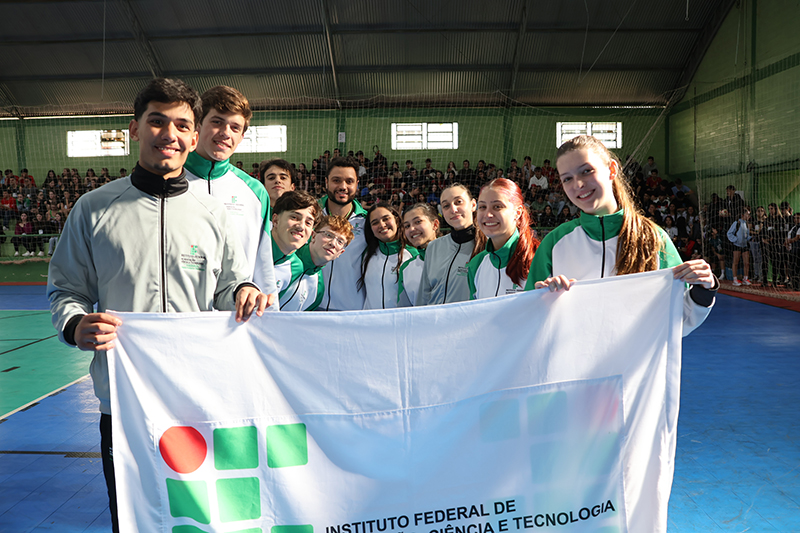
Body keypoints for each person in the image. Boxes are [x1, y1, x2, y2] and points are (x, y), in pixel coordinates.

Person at [47, 78, 270, 533]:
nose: (169, 134)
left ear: (194, 136)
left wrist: (244, 291)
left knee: (203, 516)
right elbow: (66, 289)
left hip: (198, 397)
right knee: (132, 518)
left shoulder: (214, 214)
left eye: (181, 125)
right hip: (124, 402)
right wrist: (75, 324)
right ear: (134, 128)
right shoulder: (94, 209)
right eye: (156, 121)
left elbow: (228, 286)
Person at [525, 135, 717, 336]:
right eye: (567, 178)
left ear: (612, 169)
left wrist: (703, 290)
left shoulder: (653, 239)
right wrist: (541, 301)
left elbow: (680, 320)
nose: (578, 184)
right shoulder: (554, 243)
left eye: (586, 171)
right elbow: (528, 321)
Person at [183, 85, 277, 299]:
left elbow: (263, 265)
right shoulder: (169, 180)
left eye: (235, 127)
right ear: (198, 125)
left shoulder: (254, 191)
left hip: (236, 312)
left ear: (242, 136)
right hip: (182, 312)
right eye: (217, 122)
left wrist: (271, 313)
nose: (226, 133)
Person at [468, 178, 538, 299]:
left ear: (517, 212)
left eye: (497, 206)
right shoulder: (476, 264)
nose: (488, 214)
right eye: (482, 207)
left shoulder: (538, 258)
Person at [417, 183, 486, 305]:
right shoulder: (433, 247)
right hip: (433, 317)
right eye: (446, 206)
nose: (453, 210)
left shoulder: (488, 247)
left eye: (458, 202)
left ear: (473, 205)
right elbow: (424, 294)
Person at [318, 157, 369, 311]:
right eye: (336, 180)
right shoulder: (311, 217)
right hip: (312, 308)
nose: (343, 186)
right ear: (326, 182)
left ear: (357, 184)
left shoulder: (368, 222)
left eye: (349, 181)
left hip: (352, 310)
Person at [280, 215, 354, 311]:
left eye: (340, 241)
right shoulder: (283, 259)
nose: (333, 243)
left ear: (340, 253)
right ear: (313, 235)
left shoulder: (319, 288)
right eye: (328, 235)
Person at [358, 202, 419, 309]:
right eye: (375, 222)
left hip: (399, 319)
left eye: (386, 219)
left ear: (396, 220)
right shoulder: (367, 254)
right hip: (370, 319)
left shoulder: (412, 255)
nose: (382, 225)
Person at [270, 190, 321, 306]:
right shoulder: (252, 245)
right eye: (294, 217)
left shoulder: (296, 268)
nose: (301, 226)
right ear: (275, 220)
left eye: (308, 223)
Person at [399, 203, 440, 306]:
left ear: (435, 224)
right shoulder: (406, 268)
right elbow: (404, 309)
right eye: (407, 226)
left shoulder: (454, 258)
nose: (412, 229)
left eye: (418, 222)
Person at [727, 207, 752, 286]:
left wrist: (751, 237)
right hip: (737, 245)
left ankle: (745, 278)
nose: (748, 216)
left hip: (744, 245)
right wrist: (736, 239)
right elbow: (729, 233)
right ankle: (735, 279)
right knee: (735, 262)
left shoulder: (747, 224)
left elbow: (747, 235)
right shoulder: (737, 223)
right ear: (742, 215)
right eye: (747, 214)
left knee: (746, 263)